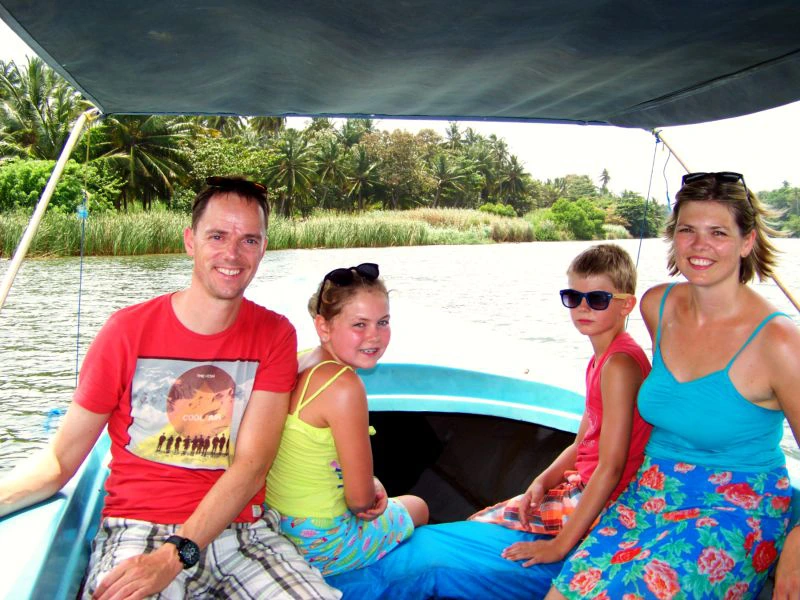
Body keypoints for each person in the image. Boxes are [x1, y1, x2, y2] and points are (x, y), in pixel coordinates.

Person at [0, 176, 339, 599]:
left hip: (242, 530)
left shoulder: (273, 334)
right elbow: (59, 458)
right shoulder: (127, 332)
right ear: (189, 242)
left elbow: (252, 464)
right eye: (217, 235)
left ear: (263, 248)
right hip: (139, 531)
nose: (232, 253)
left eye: (249, 240)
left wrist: (177, 553)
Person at [326, 244, 652, 599]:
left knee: (443, 551)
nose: (583, 308)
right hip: (581, 484)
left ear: (626, 304)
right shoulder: (602, 359)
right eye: (574, 297)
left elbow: (611, 466)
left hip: (604, 498)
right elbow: (582, 442)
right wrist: (542, 482)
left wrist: (558, 547)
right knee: (487, 518)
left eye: (598, 298)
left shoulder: (619, 366)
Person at [550, 172, 800, 599]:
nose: (700, 246)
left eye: (718, 232)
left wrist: (796, 546)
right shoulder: (656, 306)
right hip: (651, 491)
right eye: (688, 230)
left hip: (736, 505)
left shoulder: (780, 343)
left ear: (746, 242)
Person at [264, 262, 429, 578]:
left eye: (383, 322)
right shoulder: (345, 387)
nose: (375, 336)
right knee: (417, 505)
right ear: (323, 327)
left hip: (278, 523)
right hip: (319, 542)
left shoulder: (299, 360)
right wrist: (374, 489)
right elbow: (359, 501)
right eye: (360, 325)